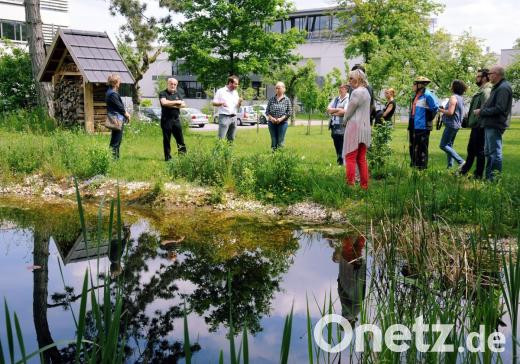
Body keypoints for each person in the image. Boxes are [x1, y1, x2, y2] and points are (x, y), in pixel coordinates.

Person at [474, 65, 513, 180]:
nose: (488, 76)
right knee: (488, 152)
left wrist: (481, 111)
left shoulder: (503, 88)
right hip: (489, 124)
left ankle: (494, 179)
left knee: (495, 153)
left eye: (490, 74)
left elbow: (500, 108)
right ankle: (489, 178)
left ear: (496, 74)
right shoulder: (498, 87)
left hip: (495, 124)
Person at [460, 69, 492, 179]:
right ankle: (465, 171)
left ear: (484, 78)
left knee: (479, 151)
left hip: (481, 125)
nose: (476, 78)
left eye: (478, 76)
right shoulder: (481, 90)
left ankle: (477, 175)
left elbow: (486, 108)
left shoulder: (486, 91)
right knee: (472, 149)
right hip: (477, 125)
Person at [342, 69, 372, 189]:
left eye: (351, 78)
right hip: (365, 128)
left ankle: (350, 185)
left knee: (350, 156)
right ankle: (364, 185)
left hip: (354, 126)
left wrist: (344, 120)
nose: (349, 81)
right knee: (361, 158)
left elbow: (349, 111)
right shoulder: (367, 92)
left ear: (358, 79)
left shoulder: (356, 92)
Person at [332, 235, 366, 326]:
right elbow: (343, 294)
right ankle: (349, 232)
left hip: (358, 276)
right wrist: (340, 281)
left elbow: (362, 292)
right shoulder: (348, 313)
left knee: (357, 251)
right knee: (347, 252)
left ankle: (360, 234)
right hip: (348, 279)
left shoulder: (358, 310)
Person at [408, 76, 439, 169]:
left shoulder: (428, 95)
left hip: (422, 125)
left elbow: (435, 108)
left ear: (420, 85)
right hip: (413, 123)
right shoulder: (416, 96)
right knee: (412, 145)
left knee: (422, 146)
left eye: (414, 84)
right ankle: (414, 163)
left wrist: (427, 118)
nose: (413, 86)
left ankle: (422, 166)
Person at [438, 80, 467, 169]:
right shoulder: (460, 98)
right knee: (449, 145)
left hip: (451, 124)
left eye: (452, 85)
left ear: (455, 87)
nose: (450, 87)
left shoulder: (453, 97)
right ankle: (450, 166)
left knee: (443, 145)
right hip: (456, 124)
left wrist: (439, 110)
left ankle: (461, 161)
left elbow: (450, 112)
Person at [159, 78, 186, 161]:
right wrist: (177, 102)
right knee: (167, 140)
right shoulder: (163, 93)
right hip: (166, 120)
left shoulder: (179, 93)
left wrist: (170, 103)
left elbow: (183, 105)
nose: (173, 85)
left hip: (176, 120)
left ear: (176, 85)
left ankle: (182, 157)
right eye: (171, 84)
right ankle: (168, 158)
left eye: (175, 84)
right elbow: (164, 103)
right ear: (168, 84)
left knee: (180, 139)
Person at [106, 74, 131, 159]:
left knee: (115, 139)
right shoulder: (113, 94)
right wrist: (126, 114)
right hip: (117, 119)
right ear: (116, 82)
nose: (120, 82)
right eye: (119, 81)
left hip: (115, 118)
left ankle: (113, 157)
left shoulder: (110, 91)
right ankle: (114, 159)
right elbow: (119, 107)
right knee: (116, 141)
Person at [213, 75, 242, 142]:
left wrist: (240, 102)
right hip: (224, 117)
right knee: (221, 138)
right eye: (236, 84)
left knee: (231, 139)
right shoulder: (221, 91)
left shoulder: (235, 93)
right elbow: (214, 103)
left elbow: (237, 106)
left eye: (238, 84)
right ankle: (219, 152)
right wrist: (221, 103)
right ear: (230, 83)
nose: (237, 86)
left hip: (234, 118)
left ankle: (229, 152)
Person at [327, 84, 349, 164]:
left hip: (343, 125)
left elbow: (345, 112)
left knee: (342, 143)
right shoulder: (336, 98)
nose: (340, 90)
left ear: (346, 89)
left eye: (342, 88)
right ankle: (340, 160)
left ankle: (342, 161)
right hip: (334, 125)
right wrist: (338, 109)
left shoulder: (348, 98)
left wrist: (334, 112)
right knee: (336, 142)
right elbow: (328, 109)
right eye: (339, 88)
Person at [265, 81, 292, 150]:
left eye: (279, 88)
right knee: (273, 141)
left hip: (283, 123)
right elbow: (267, 112)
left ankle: (280, 157)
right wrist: (271, 118)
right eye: (276, 88)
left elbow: (289, 112)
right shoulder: (271, 99)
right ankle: (273, 157)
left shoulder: (287, 100)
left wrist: (281, 119)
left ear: (283, 89)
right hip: (272, 123)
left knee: (280, 141)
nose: (277, 89)